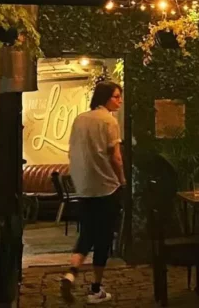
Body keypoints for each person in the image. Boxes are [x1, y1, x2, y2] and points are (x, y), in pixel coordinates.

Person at [61, 81, 126, 304]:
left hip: (84, 187)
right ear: (105, 97)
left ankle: (71, 273)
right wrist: (122, 180)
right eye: (116, 96)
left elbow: (72, 151)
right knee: (103, 238)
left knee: (87, 232)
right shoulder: (109, 121)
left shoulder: (80, 120)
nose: (119, 100)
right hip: (106, 187)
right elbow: (115, 157)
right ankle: (96, 288)